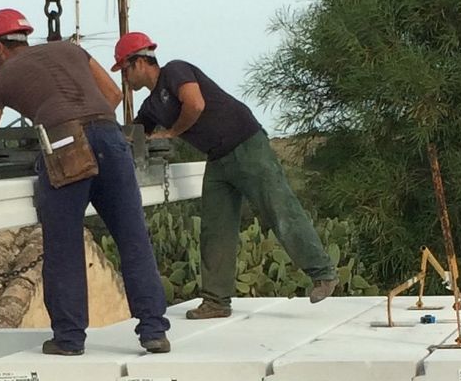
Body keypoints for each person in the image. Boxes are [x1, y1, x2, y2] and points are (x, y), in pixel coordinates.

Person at [0, 8, 172, 356]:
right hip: (112, 139)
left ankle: (69, 338)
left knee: (64, 247)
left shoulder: (1, 79)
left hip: (66, 146)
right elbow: (112, 95)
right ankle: (154, 331)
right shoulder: (69, 49)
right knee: (133, 237)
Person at [115, 32, 337, 320]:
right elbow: (134, 136)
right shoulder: (150, 106)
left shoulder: (175, 70)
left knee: (279, 208)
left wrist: (172, 132)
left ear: (139, 63)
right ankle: (216, 301)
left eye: (123, 69)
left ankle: (323, 274)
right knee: (215, 228)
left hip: (246, 144)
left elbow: (194, 104)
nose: (124, 78)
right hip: (218, 157)